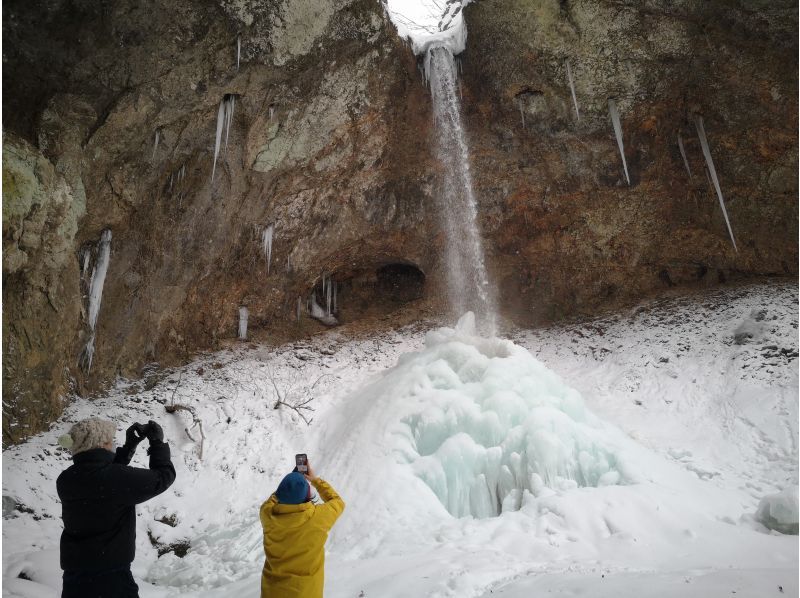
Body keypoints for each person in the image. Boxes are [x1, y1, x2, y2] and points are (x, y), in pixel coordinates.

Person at [56, 417, 176, 598]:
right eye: (110, 440)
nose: (112, 444)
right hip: (111, 580)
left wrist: (128, 448)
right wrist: (157, 443)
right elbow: (163, 477)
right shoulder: (112, 479)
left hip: (75, 578)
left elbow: (103, 482)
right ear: (102, 442)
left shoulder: (66, 479)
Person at [260, 461, 345, 598]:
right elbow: (337, 501)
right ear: (307, 496)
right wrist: (315, 481)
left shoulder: (267, 515)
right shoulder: (319, 517)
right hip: (307, 593)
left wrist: (290, 485)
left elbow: (273, 499)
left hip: (272, 592)